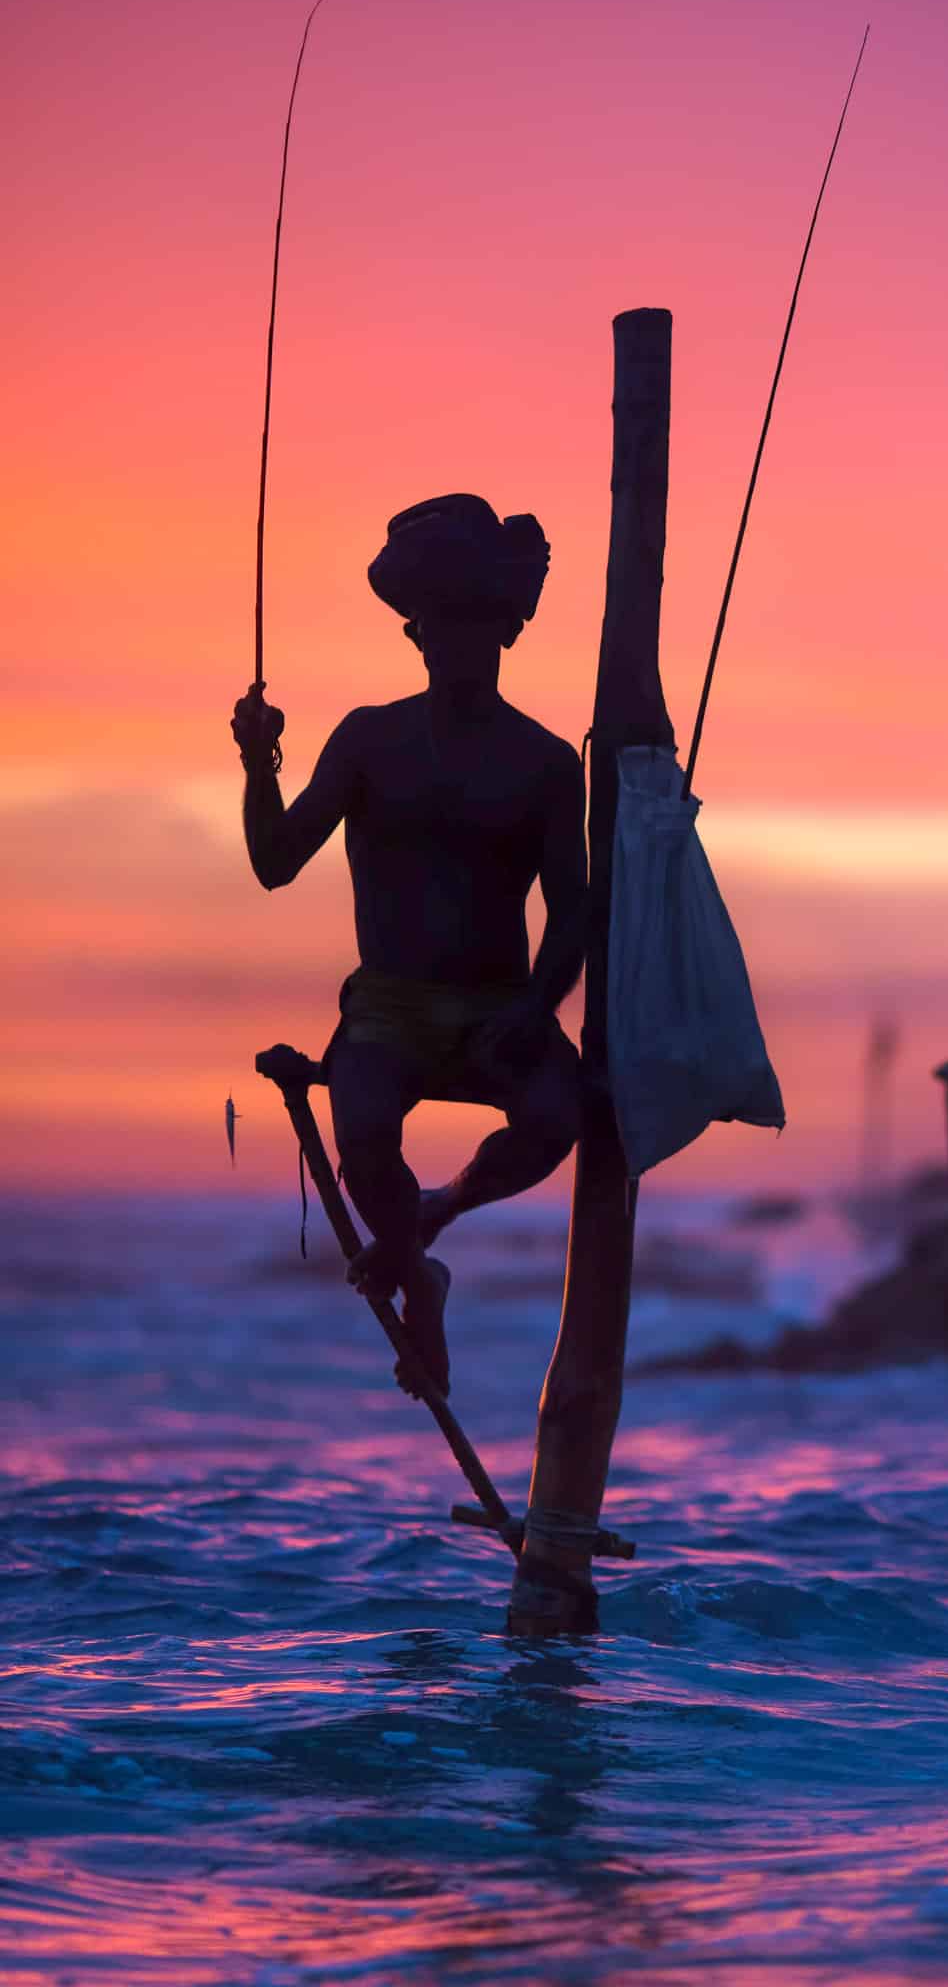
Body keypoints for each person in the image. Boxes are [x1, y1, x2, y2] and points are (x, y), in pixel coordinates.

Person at [231, 494, 588, 1400]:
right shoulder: (368, 739)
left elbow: (572, 914)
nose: (453, 643)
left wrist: (535, 1009)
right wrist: (258, 765)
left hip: (500, 1005)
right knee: (364, 1136)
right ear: (415, 635)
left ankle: (437, 1212)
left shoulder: (545, 763)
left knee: (556, 1118)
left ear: (503, 633)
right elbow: (275, 863)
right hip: (386, 1006)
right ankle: (416, 1280)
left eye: (473, 625)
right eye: (436, 625)